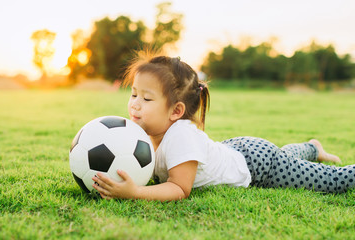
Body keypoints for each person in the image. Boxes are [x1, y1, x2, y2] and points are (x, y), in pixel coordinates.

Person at [92, 52, 354, 201]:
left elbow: (179, 188)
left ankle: (317, 153)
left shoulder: (181, 135)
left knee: (334, 180)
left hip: (259, 165)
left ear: (176, 111)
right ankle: (312, 147)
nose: (136, 104)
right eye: (134, 94)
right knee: (286, 154)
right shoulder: (137, 134)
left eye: (147, 98)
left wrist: (135, 192)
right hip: (235, 150)